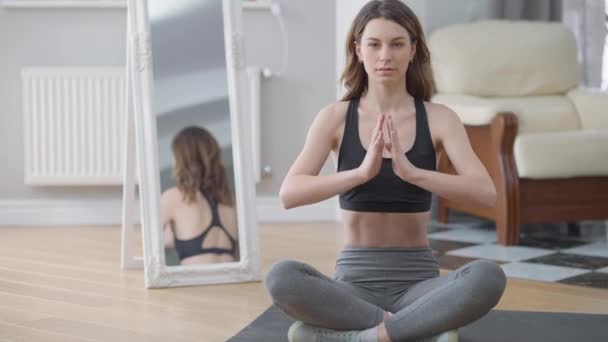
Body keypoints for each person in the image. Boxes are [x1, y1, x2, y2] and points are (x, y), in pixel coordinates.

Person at [265, 1, 506, 341]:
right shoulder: (335, 117)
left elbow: (486, 192)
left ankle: (361, 336)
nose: (385, 55)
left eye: (397, 44)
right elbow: (289, 194)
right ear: (358, 50)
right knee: (281, 277)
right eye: (374, 44)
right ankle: (416, 329)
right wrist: (360, 174)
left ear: (413, 50)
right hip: (353, 286)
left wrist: (414, 173)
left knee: (488, 276)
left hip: (420, 284)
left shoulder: (440, 118)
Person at [161, 126, 239, 265]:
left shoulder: (172, 197)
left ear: (181, 159)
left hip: (195, 283)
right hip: (231, 279)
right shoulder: (231, 199)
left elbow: (146, 248)